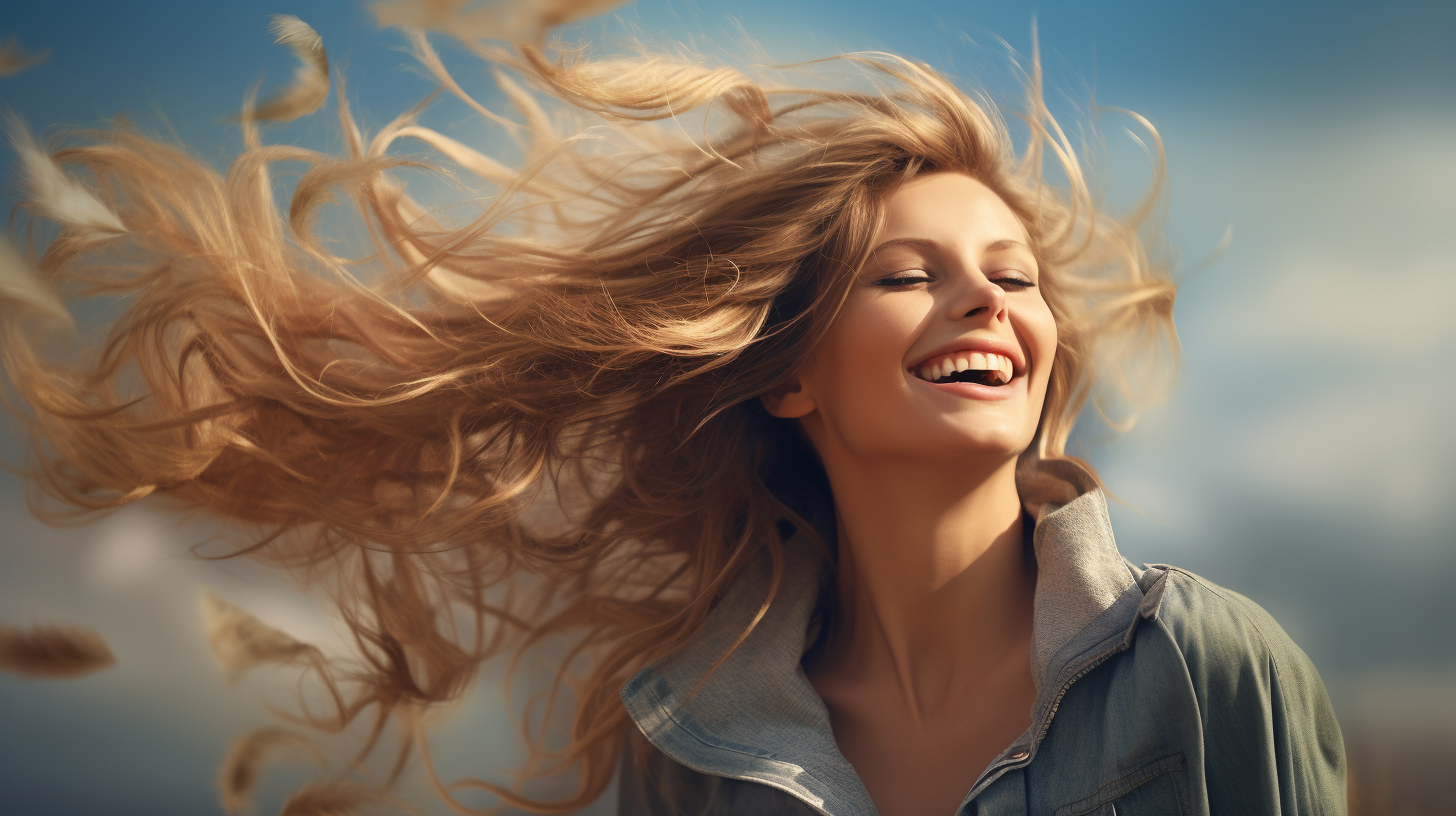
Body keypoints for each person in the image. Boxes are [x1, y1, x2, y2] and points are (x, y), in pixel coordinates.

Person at [1, 11, 1346, 815]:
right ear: (788, 374)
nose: (988, 305)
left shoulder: (1203, 668)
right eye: (907, 275)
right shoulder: (691, 753)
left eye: (1015, 279)